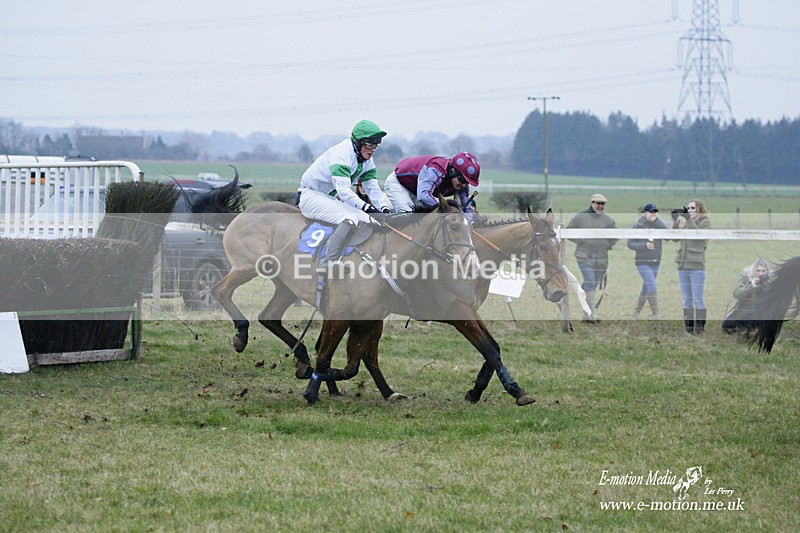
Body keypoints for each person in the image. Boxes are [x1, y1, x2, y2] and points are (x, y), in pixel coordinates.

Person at [297, 119, 393, 265]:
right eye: (369, 144)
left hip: (329, 198)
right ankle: (329, 261)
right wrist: (368, 208)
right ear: (357, 142)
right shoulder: (342, 154)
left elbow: (373, 188)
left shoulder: (367, 161)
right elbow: (344, 192)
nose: (372, 149)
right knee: (350, 218)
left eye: (375, 145)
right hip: (310, 196)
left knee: (371, 221)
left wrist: (385, 208)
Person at [567, 193, 617, 322]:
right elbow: (569, 231)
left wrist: (607, 244)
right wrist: (581, 240)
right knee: (590, 281)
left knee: (591, 285)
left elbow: (615, 237)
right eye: (597, 203)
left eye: (602, 204)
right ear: (592, 203)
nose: (600, 206)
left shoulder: (608, 221)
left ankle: (586, 314)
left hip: (601, 258)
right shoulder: (580, 217)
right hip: (584, 256)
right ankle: (592, 313)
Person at [383, 153, 479, 218]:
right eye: (462, 180)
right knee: (408, 216)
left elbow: (465, 205)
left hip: (416, 190)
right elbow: (423, 196)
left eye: (467, 182)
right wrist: (445, 209)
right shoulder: (436, 170)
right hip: (398, 184)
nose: (463, 185)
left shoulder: (461, 183)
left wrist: (470, 222)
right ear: (453, 171)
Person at [671, 199, 711, 334]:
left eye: (693, 208)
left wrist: (688, 220)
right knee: (687, 300)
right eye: (688, 208)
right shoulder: (688, 224)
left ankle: (700, 329)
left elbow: (697, 236)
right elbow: (675, 238)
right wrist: (675, 222)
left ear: (700, 209)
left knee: (697, 299)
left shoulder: (705, 223)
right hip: (683, 265)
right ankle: (689, 329)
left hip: (696, 266)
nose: (689, 211)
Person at [627, 203, 667, 319]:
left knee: (646, 287)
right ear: (645, 213)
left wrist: (657, 221)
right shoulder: (638, 226)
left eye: (655, 212)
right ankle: (656, 314)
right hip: (642, 262)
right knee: (652, 286)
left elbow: (668, 235)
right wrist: (644, 245)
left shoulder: (658, 225)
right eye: (651, 212)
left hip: (655, 262)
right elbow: (630, 243)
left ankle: (636, 312)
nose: (653, 214)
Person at [722, 258, 773, 333]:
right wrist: (752, 285)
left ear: (767, 271)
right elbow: (737, 293)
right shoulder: (745, 276)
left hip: (764, 312)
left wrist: (767, 285)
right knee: (728, 325)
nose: (761, 274)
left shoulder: (772, 279)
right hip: (745, 310)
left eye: (763, 271)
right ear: (753, 271)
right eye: (758, 271)